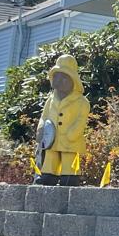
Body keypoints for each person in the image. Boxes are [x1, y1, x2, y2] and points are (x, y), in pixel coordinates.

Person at [34, 54, 89, 186]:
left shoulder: (81, 101)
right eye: (56, 76)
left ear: (73, 80)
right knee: (50, 158)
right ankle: (48, 175)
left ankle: (70, 177)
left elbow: (81, 119)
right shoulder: (51, 100)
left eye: (64, 77)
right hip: (51, 138)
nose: (59, 80)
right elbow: (44, 116)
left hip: (70, 139)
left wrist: (74, 132)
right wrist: (41, 128)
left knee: (69, 159)